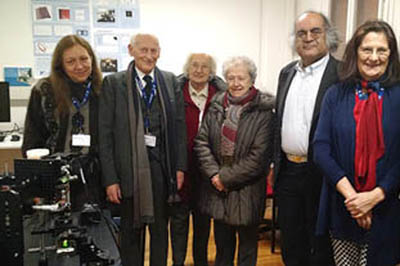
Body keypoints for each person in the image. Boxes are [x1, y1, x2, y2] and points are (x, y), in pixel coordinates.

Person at [313, 20, 400, 266]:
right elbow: (321, 149)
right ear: (355, 52)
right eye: (367, 49)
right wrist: (354, 199)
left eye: (381, 50)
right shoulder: (335, 94)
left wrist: (374, 196)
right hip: (344, 207)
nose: (374, 57)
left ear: (391, 54)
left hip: (386, 208)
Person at [98, 33, 187, 266]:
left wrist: (179, 168)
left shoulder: (169, 81)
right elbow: (104, 136)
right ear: (131, 50)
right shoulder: (114, 83)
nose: (149, 56)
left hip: (162, 169)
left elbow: (179, 129)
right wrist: (110, 179)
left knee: (160, 232)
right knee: (130, 233)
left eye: (154, 51)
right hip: (128, 172)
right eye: (143, 50)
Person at [273, 10, 339, 265]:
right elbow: (278, 122)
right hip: (288, 172)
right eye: (302, 33)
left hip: (322, 174)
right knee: (291, 243)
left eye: (315, 31)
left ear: (328, 36)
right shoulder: (286, 72)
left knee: (320, 245)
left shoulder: (342, 74)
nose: (308, 38)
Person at [194, 56, 274, 266]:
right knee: (223, 249)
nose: (236, 83)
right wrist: (213, 175)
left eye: (241, 78)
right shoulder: (216, 105)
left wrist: (224, 178)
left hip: (247, 191)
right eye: (231, 78)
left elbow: (259, 158)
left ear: (251, 80)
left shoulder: (264, 110)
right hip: (218, 191)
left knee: (247, 250)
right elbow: (201, 142)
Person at [22, 34, 103, 208]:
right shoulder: (44, 90)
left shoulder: (102, 90)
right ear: (61, 65)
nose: (79, 66)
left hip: (94, 178)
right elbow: (32, 139)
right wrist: (35, 187)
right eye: (71, 61)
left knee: (96, 230)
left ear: (92, 60)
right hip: (54, 178)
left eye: (84, 59)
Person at [170, 53, 226, 266]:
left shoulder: (219, 96)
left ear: (211, 72)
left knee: (203, 223)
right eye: (195, 65)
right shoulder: (176, 93)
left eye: (205, 67)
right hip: (181, 169)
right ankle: (178, 262)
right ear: (187, 68)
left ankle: (200, 262)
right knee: (179, 222)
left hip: (208, 170)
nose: (199, 70)